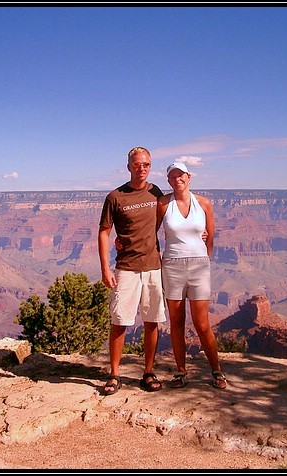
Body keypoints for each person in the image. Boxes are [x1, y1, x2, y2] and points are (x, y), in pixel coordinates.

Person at [98, 146, 166, 395]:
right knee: (119, 322)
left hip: (153, 267)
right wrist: (105, 268)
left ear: (150, 166)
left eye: (146, 164)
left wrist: (202, 230)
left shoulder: (156, 192)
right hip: (125, 268)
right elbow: (104, 232)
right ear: (128, 167)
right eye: (137, 164)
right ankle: (114, 374)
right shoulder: (115, 197)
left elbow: (173, 215)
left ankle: (148, 372)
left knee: (152, 322)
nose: (142, 168)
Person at [156, 162, 227, 389]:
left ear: (189, 177)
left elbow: (212, 236)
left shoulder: (204, 203)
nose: (177, 179)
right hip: (172, 266)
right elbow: (151, 233)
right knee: (176, 322)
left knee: (202, 323)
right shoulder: (163, 204)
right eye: (173, 176)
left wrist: (204, 258)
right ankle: (180, 372)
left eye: (181, 175)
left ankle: (216, 370)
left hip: (198, 267)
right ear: (168, 180)